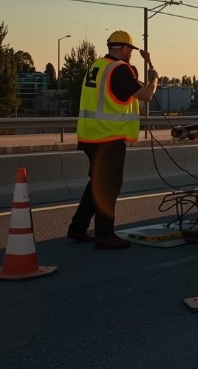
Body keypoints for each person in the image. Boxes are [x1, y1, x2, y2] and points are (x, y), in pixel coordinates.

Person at [67, 30, 159, 249]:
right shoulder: (119, 69)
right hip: (108, 137)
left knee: (97, 183)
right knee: (109, 185)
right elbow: (146, 95)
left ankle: (77, 228)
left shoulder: (97, 66)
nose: (131, 55)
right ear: (125, 49)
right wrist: (154, 78)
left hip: (90, 136)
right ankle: (104, 234)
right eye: (131, 51)